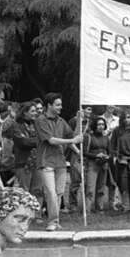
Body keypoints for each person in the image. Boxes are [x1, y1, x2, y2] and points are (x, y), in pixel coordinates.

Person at [35, 92, 83, 231]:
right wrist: (73, 141)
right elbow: (51, 140)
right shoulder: (41, 120)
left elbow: (74, 135)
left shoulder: (61, 121)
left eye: (61, 104)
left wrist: (79, 120)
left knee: (59, 193)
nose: (60, 107)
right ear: (49, 105)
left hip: (60, 162)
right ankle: (52, 222)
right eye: (58, 105)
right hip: (46, 162)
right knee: (50, 192)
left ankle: (54, 221)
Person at [5, 101, 42, 202]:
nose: (36, 113)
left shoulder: (36, 125)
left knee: (38, 191)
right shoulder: (17, 126)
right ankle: (23, 216)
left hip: (37, 162)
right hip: (23, 163)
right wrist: (40, 141)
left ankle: (37, 216)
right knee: (23, 192)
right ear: (25, 112)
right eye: (33, 111)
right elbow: (24, 142)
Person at [110, 109, 130, 212]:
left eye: (129, 118)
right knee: (123, 183)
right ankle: (126, 206)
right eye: (125, 118)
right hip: (121, 160)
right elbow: (112, 146)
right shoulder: (117, 131)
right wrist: (114, 157)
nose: (127, 120)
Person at [82, 116, 111, 213]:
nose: (101, 126)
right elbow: (85, 152)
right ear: (95, 125)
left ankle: (99, 208)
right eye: (99, 124)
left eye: (103, 124)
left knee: (101, 188)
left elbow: (110, 151)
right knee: (90, 188)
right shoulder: (88, 137)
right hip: (92, 164)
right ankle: (87, 209)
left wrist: (108, 157)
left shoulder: (106, 138)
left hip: (103, 164)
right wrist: (96, 155)